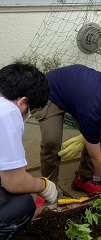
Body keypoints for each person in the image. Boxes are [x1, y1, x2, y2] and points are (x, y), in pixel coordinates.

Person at [34, 64, 101, 208]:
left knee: (98, 137)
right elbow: (95, 155)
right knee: (51, 141)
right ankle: (48, 188)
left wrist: (87, 136)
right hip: (52, 92)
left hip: (80, 96)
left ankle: (83, 179)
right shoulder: (92, 111)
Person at [0, 62, 58, 239]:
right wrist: (44, 186)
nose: (28, 116)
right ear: (23, 102)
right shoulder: (8, 112)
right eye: (31, 111)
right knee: (21, 205)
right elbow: (15, 182)